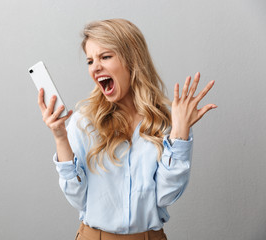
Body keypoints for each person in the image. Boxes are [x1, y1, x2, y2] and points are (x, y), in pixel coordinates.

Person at [37, 19, 216, 240]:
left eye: (105, 57)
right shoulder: (84, 121)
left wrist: (179, 133)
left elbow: (165, 197)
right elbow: (77, 198)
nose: (95, 67)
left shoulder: (166, 122)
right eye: (90, 61)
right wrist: (60, 136)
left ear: (132, 59)